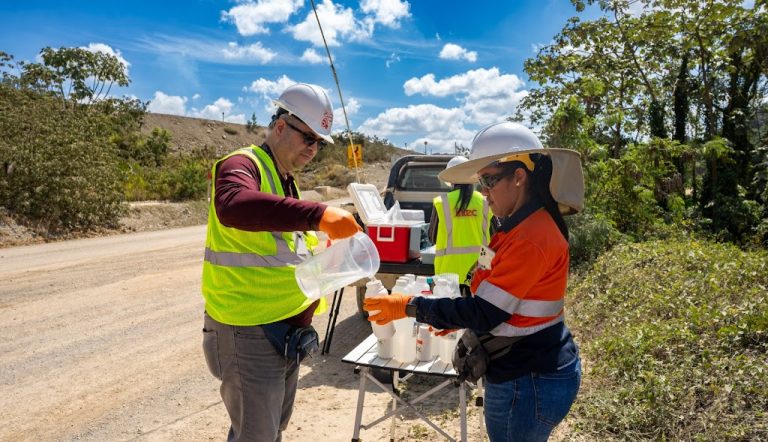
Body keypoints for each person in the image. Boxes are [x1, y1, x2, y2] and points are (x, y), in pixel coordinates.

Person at [364, 121, 585, 442]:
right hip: (524, 372)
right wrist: (455, 316)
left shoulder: (531, 236)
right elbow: (492, 290)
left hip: (528, 379)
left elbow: (486, 312)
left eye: (490, 180)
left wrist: (408, 306)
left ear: (520, 176)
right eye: (481, 182)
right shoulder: (514, 227)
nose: (483, 191)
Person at [201, 82, 361, 442]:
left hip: (283, 331)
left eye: (320, 143)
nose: (314, 149)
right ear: (280, 126)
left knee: (270, 431)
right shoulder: (242, 164)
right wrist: (318, 215)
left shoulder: (288, 181)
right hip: (247, 328)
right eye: (308, 138)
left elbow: (282, 253)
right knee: (255, 436)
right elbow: (233, 205)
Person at [428, 155, 491, 294]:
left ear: (450, 180)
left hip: (449, 270)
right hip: (482, 266)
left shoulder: (442, 202)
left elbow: (432, 237)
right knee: (477, 312)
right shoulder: (486, 201)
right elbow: (495, 233)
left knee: (451, 313)